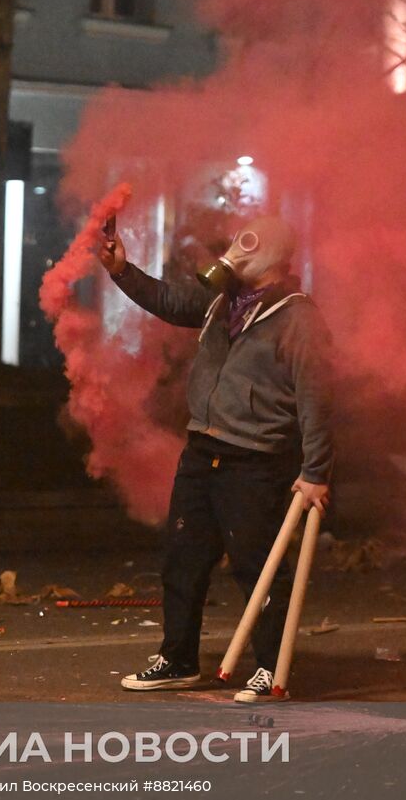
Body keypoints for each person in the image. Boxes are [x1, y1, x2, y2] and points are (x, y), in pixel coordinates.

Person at [99, 215, 333, 703]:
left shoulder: (298, 317)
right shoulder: (222, 301)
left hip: (255, 460)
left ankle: (271, 666)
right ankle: (178, 659)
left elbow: (316, 397)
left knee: (257, 566)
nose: (235, 250)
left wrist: (315, 473)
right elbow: (169, 300)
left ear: (273, 254)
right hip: (202, 449)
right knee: (182, 560)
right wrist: (123, 270)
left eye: (248, 242)